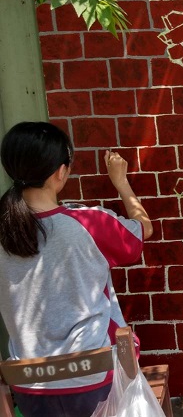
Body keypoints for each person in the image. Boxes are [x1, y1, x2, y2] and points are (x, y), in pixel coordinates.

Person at [0, 121, 153, 417]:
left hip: (29, 385)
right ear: (61, 172)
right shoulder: (89, 223)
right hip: (93, 378)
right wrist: (120, 182)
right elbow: (143, 229)